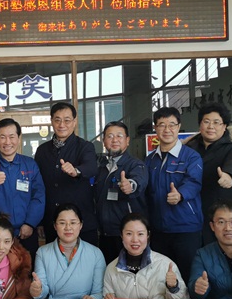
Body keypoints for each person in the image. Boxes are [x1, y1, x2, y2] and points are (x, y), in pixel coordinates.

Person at [144, 107, 203, 281]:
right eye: (162, 125)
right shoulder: (149, 160)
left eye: (172, 125)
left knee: (188, 276)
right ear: (155, 128)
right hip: (158, 229)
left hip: (185, 228)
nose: (167, 129)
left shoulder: (191, 156)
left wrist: (180, 195)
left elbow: (194, 182)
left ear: (178, 127)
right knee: (162, 277)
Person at [0, 118, 45, 256]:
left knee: (27, 268)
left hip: (25, 232)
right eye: (3, 137)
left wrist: (30, 223)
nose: (7, 142)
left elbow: (39, 196)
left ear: (18, 138)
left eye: (12, 137)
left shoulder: (30, 164)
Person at [35, 103, 98, 245]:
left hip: (81, 223)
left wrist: (76, 171)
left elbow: (91, 168)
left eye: (67, 120)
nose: (62, 124)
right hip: (53, 223)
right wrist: (39, 221)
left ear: (74, 122)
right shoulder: (42, 151)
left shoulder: (85, 146)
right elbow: (38, 187)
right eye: (57, 120)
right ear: (52, 121)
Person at [185, 102, 232, 245]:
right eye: (206, 122)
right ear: (200, 125)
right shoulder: (188, 148)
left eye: (216, 122)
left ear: (224, 126)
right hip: (194, 214)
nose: (211, 126)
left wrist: (229, 175)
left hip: (224, 216)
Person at [30, 203, 105, 299]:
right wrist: (37, 290)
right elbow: (42, 290)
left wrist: (92, 298)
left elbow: (99, 292)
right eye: (62, 223)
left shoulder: (95, 253)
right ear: (55, 226)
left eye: (73, 223)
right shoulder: (43, 252)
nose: (68, 227)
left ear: (81, 225)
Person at [93, 121, 148, 263]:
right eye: (110, 136)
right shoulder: (102, 168)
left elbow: (138, 181)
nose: (115, 140)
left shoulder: (135, 164)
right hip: (105, 234)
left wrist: (130, 185)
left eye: (119, 136)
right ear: (104, 141)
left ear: (127, 140)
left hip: (127, 236)